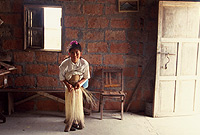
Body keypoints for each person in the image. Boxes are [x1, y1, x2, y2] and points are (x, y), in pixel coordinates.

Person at [59, 40, 90, 132]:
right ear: (69, 53)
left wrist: (79, 84)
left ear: (80, 53)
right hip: (69, 85)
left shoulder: (84, 63)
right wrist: (68, 84)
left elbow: (86, 77)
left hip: (80, 84)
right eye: (72, 53)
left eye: (77, 53)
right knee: (70, 101)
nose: (75, 55)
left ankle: (76, 120)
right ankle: (71, 119)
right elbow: (62, 78)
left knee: (77, 101)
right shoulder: (64, 64)